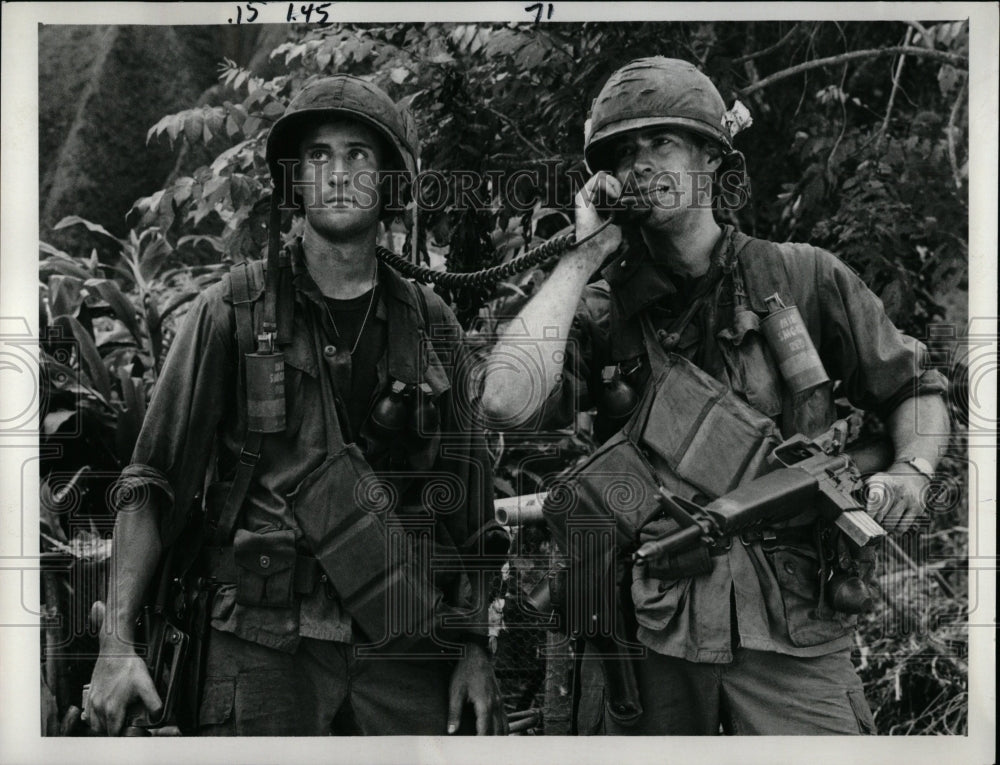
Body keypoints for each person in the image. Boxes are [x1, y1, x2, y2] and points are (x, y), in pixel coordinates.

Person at [481, 57, 950, 735]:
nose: (643, 164)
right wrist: (583, 257)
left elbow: (917, 388)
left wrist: (912, 472)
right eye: (625, 153)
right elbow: (504, 401)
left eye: (663, 142)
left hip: (790, 621)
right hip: (650, 628)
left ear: (709, 159)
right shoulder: (602, 312)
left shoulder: (801, 276)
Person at [86, 75, 507, 736]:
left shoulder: (432, 323)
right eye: (318, 155)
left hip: (401, 645)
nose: (338, 173)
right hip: (261, 645)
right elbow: (151, 484)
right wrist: (115, 644)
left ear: (387, 180)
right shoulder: (229, 310)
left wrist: (475, 648)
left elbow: (473, 508)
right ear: (295, 180)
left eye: (359, 155)